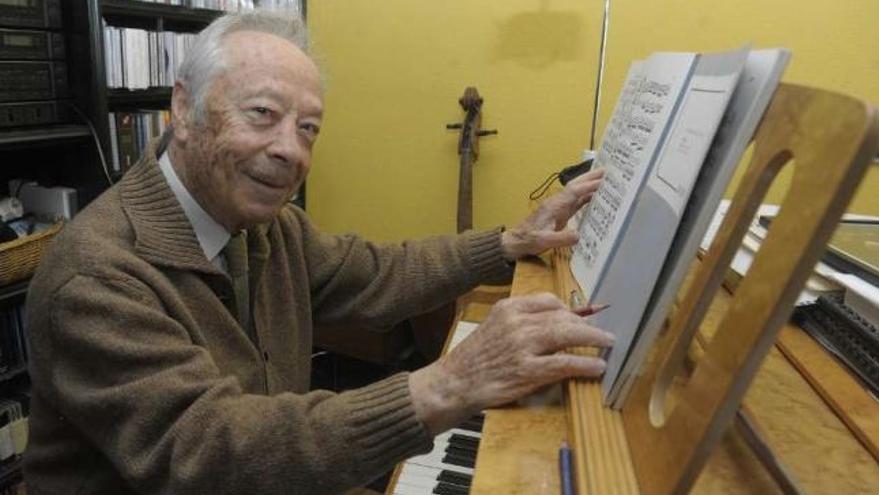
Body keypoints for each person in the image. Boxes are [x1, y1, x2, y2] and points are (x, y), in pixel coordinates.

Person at [23, 8, 612, 495]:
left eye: (308, 128)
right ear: (183, 109)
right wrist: (448, 385)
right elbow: (208, 451)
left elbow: (381, 273)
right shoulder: (97, 276)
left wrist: (509, 242)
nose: (291, 150)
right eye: (263, 114)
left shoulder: (268, 228)